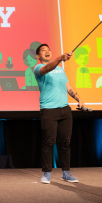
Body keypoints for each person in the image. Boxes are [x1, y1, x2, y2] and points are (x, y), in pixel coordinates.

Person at [33, 44, 84, 184]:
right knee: (49, 141)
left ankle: (66, 173)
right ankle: (47, 173)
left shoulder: (60, 70)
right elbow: (48, 68)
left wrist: (79, 100)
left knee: (65, 142)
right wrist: (60, 58)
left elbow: (68, 86)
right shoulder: (38, 68)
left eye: (48, 49)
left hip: (65, 109)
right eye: (43, 50)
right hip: (49, 110)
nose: (47, 51)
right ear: (38, 56)